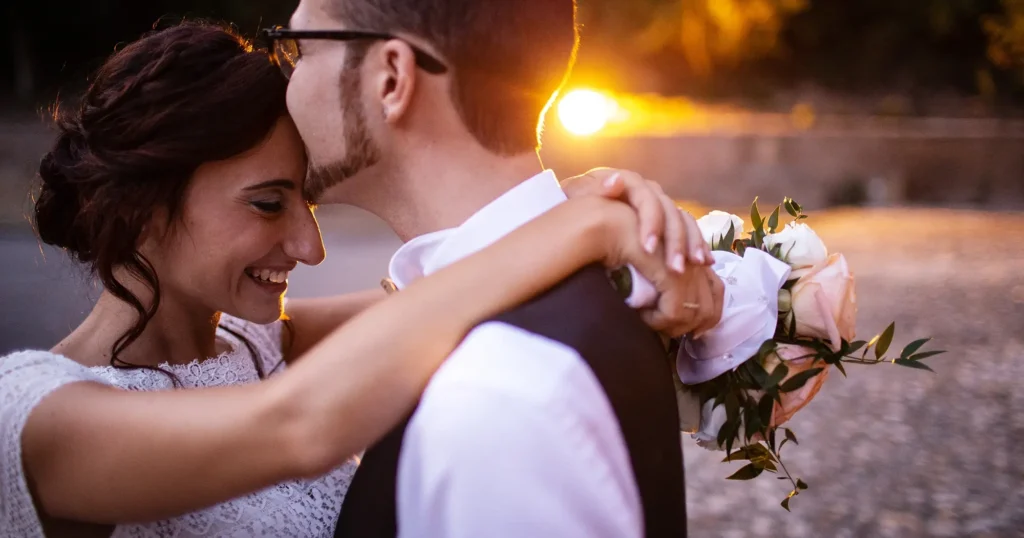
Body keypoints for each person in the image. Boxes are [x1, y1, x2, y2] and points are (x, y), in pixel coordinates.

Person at [0, 22, 717, 538]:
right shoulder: (38, 415)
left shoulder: (255, 345)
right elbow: (300, 426)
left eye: (305, 202)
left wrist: (571, 203)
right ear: (142, 210)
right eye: (267, 203)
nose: (309, 247)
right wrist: (581, 228)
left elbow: (438, 297)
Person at [274, 1, 728, 537]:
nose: (284, 82)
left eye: (298, 49)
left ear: (391, 78)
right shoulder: (580, 291)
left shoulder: (497, 400)